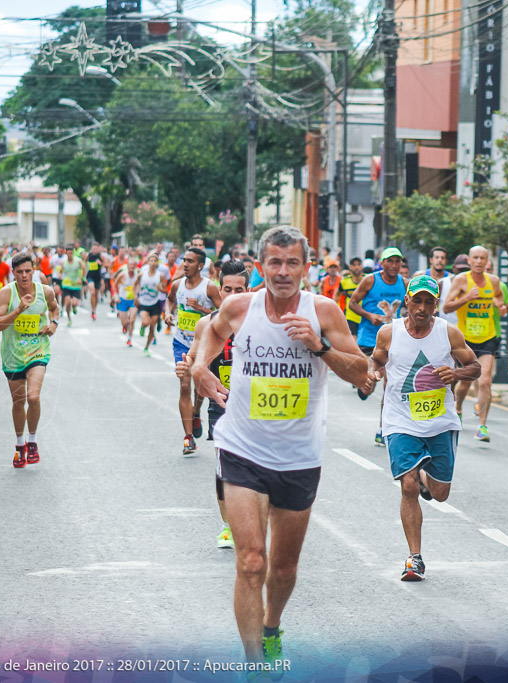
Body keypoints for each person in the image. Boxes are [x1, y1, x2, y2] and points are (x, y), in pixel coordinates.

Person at [190, 226, 375, 670]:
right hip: (242, 449)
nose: (283, 271)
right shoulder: (239, 307)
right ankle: (254, 665)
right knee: (251, 562)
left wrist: (319, 345)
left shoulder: (324, 311)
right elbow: (210, 334)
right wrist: (200, 366)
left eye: (292, 262)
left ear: (306, 268)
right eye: (274, 262)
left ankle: (272, 626)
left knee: (283, 570)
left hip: (299, 457)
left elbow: (362, 372)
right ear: (260, 267)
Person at [370, 275, 480, 581]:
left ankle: (422, 473)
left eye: (429, 302)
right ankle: (414, 558)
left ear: (436, 305)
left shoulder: (449, 333)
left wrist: (456, 372)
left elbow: (476, 366)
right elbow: (376, 360)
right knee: (407, 486)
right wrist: (373, 373)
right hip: (400, 419)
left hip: (440, 421)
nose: (422, 308)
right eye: (416, 300)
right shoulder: (388, 334)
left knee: (441, 494)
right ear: (406, 301)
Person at [174, 261, 249, 548]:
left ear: (248, 289)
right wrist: (187, 366)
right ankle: (228, 526)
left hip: (256, 405)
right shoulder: (207, 323)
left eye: (238, 290)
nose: (231, 295)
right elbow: (194, 356)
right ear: (219, 287)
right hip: (221, 402)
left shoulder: (260, 321)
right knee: (225, 464)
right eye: (226, 289)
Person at [0, 252, 60, 468]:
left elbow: (54, 308)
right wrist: (19, 310)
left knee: (33, 397)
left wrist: (53, 324)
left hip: (38, 352)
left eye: (28, 271)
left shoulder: (45, 291)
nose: (24, 276)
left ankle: (32, 441)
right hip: (12, 356)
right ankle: (20, 445)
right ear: (13, 273)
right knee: (18, 402)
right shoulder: (6, 294)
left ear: (34, 270)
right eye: (19, 272)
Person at [443, 246, 506, 442]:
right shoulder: (462, 280)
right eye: (476, 258)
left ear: (488, 262)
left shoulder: (494, 281)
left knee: (485, 380)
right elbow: (446, 306)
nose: (479, 261)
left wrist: (500, 307)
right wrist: (467, 298)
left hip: (487, 336)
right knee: (464, 382)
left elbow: (500, 301)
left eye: (483, 258)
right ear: (469, 260)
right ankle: (459, 407)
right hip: (466, 340)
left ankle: (482, 426)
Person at [349, 247, 407, 445]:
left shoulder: (404, 283)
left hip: (393, 342)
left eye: (397, 261)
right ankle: (364, 388)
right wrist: (369, 315)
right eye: (389, 261)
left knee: (390, 384)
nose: (393, 265)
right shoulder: (371, 280)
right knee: (370, 384)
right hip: (369, 340)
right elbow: (353, 303)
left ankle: (383, 428)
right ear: (382, 263)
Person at [167, 247, 222, 455]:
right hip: (181, 343)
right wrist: (167, 313)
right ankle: (188, 437)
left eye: (190, 261)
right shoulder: (177, 285)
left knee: (199, 388)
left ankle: (196, 411)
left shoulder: (209, 288)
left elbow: (222, 313)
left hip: (203, 344)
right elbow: (170, 300)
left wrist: (201, 309)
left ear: (200, 265)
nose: (185, 264)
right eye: (184, 260)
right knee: (184, 385)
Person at [134, 253, 168, 356]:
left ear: (157, 263)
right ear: (148, 262)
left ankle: (146, 348)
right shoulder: (142, 274)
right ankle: (142, 327)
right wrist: (136, 296)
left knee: (152, 327)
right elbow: (135, 285)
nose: (153, 263)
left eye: (155, 261)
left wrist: (160, 288)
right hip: (144, 302)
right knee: (145, 322)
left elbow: (165, 289)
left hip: (155, 303)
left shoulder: (160, 276)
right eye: (151, 261)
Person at [57, 248, 86, 326]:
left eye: (71, 253)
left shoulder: (78, 261)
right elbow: (60, 271)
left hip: (76, 284)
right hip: (66, 284)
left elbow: (84, 268)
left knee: (75, 302)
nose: (70, 255)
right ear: (66, 254)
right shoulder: (63, 262)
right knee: (67, 302)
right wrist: (59, 275)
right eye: (68, 253)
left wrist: (82, 278)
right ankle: (69, 318)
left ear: (73, 253)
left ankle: (74, 307)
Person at [339, 258, 364, 337]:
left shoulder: (368, 279)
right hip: (350, 317)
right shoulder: (344, 282)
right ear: (350, 267)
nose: (357, 267)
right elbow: (337, 295)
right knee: (354, 343)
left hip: (365, 316)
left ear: (362, 266)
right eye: (354, 265)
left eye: (359, 264)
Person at [85, 244, 104, 321]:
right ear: (91, 249)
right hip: (90, 276)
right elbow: (84, 263)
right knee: (92, 292)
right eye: (93, 249)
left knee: (96, 295)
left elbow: (107, 265)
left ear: (98, 250)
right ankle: (92, 310)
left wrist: (101, 263)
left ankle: (94, 309)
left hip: (98, 277)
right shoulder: (88, 255)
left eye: (96, 249)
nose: (94, 250)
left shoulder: (101, 256)